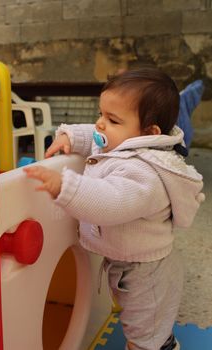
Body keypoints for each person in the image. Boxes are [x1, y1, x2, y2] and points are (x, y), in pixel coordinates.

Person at [24, 67, 205, 350]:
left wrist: (65, 186)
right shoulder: (127, 142)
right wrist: (71, 136)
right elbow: (97, 137)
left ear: (148, 132)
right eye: (101, 113)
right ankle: (162, 339)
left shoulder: (146, 174)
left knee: (143, 332)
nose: (99, 123)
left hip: (146, 273)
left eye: (112, 119)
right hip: (126, 259)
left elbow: (109, 202)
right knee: (145, 323)